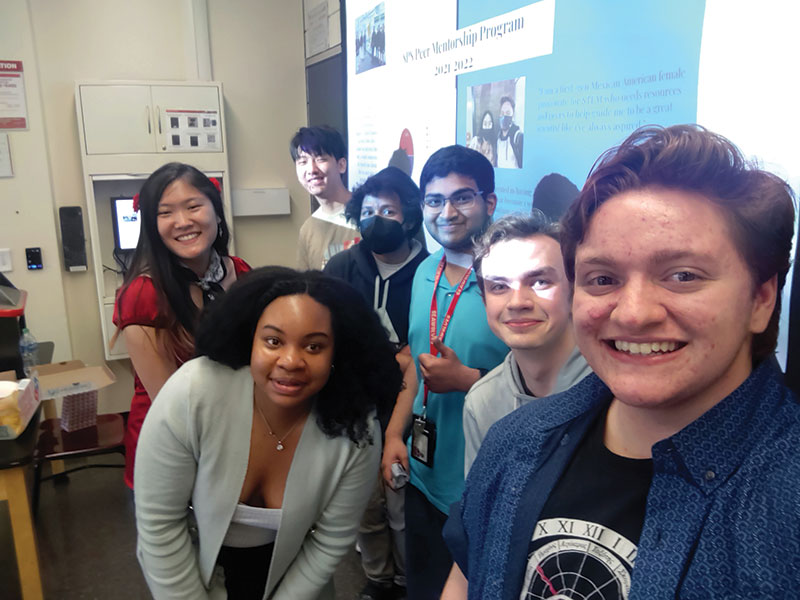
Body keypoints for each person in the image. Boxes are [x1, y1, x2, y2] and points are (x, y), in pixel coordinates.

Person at [442, 124, 800, 598]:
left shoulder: (785, 504)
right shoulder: (515, 441)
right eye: (603, 278)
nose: (632, 313)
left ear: (761, 298)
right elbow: (468, 577)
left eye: (682, 275)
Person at [134, 267, 403, 599]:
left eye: (314, 347)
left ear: (338, 353)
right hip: (187, 575)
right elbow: (159, 525)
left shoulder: (356, 428)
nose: (290, 361)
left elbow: (330, 540)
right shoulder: (195, 391)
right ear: (251, 339)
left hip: (297, 583)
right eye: (273, 341)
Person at [381, 145, 507, 599]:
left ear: (489, 203)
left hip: (486, 483)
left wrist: (468, 380)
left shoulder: (510, 282)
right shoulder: (425, 272)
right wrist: (395, 434)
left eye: (462, 198)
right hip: (423, 475)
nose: (447, 212)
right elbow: (417, 367)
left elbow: (546, 386)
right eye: (435, 201)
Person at [112, 162, 250, 489]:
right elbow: (169, 403)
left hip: (239, 438)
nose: (183, 222)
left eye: (193, 206)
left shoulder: (242, 273)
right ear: (151, 226)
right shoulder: (143, 295)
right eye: (166, 213)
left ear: (216, 213)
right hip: (172, 450)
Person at [324, 166, 428, 600]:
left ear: (408, 219)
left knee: (401, 502)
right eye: (368, 210)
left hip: (407, 406)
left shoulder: (428, 271)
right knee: (362, 504)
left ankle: (407, 580)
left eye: (388, 210)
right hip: (353, 404)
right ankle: (378, 579)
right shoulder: (342, 266)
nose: (376, 218)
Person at [464, 212, 592, 472]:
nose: (517, 302)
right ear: (484, 300)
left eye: (540, 281)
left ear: (574, 289)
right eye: (499, 286)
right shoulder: (483, 402)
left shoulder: (617, 389)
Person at [291, 126, 360, 269]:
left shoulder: (366, 214)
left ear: (341, 165)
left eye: (320, 159)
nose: (311, 170)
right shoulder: (308, 229)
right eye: (303, 162)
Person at [496, 96, 523, 169]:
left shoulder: (518, 137)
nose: (504, 116)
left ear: (513, 115)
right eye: (502, 113)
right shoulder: (498, 138)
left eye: (507, 113)